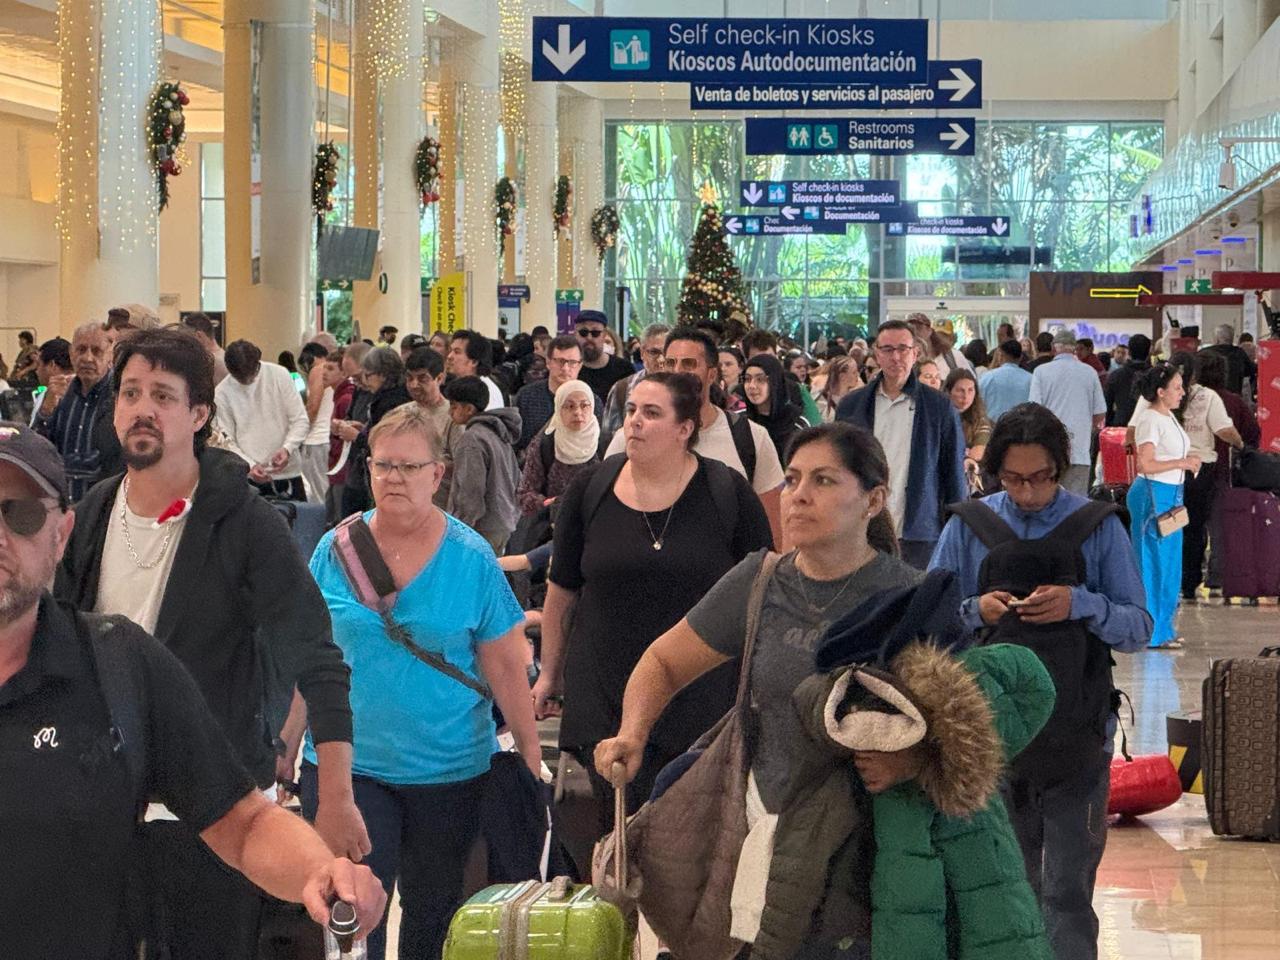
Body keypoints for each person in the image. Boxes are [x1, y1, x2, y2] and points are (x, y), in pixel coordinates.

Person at [0, 422, 386, 959]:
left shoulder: (118, 666)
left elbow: (243, 822)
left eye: (18, 513)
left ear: (61, 534)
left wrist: (320, 871)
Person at [591, 423, 927, 958]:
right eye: (792, 479)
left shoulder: (908, 595)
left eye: (823, 480)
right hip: (753, 827)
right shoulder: (762, 579)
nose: (799, 495)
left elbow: (963, 724)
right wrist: (632, 732)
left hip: (864, 845)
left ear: (874, 500)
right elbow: (664, 662)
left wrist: (913, 759)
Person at [291, 403, 538, 960]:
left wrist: (527, 756)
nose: (393, 478)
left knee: (433, 916)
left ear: (438, 473)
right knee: (352, 921)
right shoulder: (335, 549)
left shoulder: (472, 558)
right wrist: (286, 744)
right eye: (382, 466)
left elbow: (504, 664)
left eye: (408, 466)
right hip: (348, 768)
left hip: (449, 770)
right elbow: (311, 655)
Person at [929, 402, 1152, 960]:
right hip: (986, 739)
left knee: (1068, 892)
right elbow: (924, 628)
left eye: (1042, 478)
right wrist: (974, 610)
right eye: (1014, 479)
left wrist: (1080, 603)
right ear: (991, 472)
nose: (1028, 493)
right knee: (1002, 890)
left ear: (1063, 468)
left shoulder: (1096, 527)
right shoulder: (968, 526)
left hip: (1079, 736)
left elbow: (1138, 627)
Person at [532, 373, 773, 858]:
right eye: (632, 411)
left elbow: (764, 591)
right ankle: (615, 930)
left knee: (687, 849)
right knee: (614, 844)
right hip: (604, 688)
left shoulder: (727, 494)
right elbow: (562, 589)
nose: (635, 423)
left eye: (652, 413)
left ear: (685, 428)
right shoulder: (592, 487)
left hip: (701, 692)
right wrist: (550, 674)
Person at [603, 327, 786, 547]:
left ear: (711, 374)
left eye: (689, 364)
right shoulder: (631, 436)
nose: (678, 372)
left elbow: (772, 530)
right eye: (671, 363)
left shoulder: (751, 438)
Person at [836, 319, 967, 569]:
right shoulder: (852, 406)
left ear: (915, 353)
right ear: (876, 354)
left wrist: (957, 530)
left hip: (920, 531)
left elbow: (953, 474)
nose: (896, 357)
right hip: (863, 528)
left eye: (903, 349)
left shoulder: (939, 407)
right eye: (888, 349)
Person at [1129, 352, 1242, 600]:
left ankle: (1163, 587)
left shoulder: (1154, 402)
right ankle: (1187, 584)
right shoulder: (1205, 397)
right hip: (1191, 475)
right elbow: (1224, 429)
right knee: (1189, 530)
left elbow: (1131, 432)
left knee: (1166, 531)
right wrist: (1240, 444)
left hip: (1167, 476)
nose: (1180, 391)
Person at [1128, 364, 1199, 649]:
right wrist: (1182, 463)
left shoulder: (1168, 417)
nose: (1182, 392)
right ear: (1160, 392)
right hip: (1152, 495)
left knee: (1169, 563)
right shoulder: (1150, 420)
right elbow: (1145, 463)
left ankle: (1164, 627)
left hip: (1171, 494)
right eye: (1177, 387)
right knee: (1152, 562)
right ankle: (1150, 629)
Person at [214, 339, 311, 501]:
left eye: (252, 375)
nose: (247, 382)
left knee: (298, 522)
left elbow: (300, 420)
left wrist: (287, 448)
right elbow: (227, 441)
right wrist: (250, 466)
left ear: (258, 360)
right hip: (250, 479)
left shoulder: (279, 374)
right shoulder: (222, 393)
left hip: (289, 474)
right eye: (240, 378)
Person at [35, 321, 121, 502]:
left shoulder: (120, 397)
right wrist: (46, 410)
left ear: (110, 357)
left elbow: (112, 461)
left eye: (96, 351)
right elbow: (38, 449)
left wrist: (63, 464)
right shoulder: (58, 393)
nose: (88, 358)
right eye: (81, 350)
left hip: (102, 505)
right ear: (71, 354)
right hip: (61, 504)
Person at [1199, 351, 1260, 593]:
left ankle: (1188, 575)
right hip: (1222, 470)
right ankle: (1216, 576)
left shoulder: (1187, 400)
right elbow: (1253, 433)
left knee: (1188, 526)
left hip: (1187, 470)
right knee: (1218, 526)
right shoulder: (1234, 401)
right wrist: (1242, 448)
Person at [443, 375, 521, 553]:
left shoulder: (471, 440)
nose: (450, 412)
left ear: (469, 409)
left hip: (482, 527)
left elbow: (470, 491)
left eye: (454, 406)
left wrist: (460, 531)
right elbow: (518, 477)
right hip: (504, 520)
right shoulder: (498, 432)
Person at [1028, 328, 1106, 495]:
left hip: (1047, 451)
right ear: (1075, 349)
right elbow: (1100, 412)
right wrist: (1085, 425)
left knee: (1045, 500)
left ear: (1053, 348)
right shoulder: (1089, 372)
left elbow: (1034, 410)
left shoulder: (1041, 372)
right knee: (1076, 506)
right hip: (1079, 452)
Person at [342, 347, 413, 517]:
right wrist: (363, 429)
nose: (365, 382)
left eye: (367, 376)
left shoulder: (392, 402)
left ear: (382, 374)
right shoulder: (385, 397)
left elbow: (387, 440)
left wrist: (357, 437)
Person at [516, 379, 600, 519]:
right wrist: (548, 504)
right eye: (569, 406)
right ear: (558, 409)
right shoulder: (545, 443)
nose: (578, 412)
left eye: (584, 405)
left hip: (594, 526)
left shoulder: (602, 441)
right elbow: (525, 494)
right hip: (554, 526)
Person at [513, 334, 602, 453]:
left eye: (572, 362)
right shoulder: (526, 397)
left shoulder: (591, 402)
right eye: (560, 361)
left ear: (580, 365)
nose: (565, 368)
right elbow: (514, 443)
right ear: (548, 362)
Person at [402, 347, 463, 510]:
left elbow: (462, 467)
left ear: (440, 378)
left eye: (422, 379)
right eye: (410, 378)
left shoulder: (454, 417)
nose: (414, 385)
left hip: (439, 507)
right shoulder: (400, 414)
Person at [604, 324, 672, 440]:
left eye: (665, 352)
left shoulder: (684, 389)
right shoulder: (622, 389)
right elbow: (608, 437)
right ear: (642, 353)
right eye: (654, 352)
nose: (661, 359)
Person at [743, 353, 808, 461]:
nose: (752, 386)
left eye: (760, 379)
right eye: (747, 379)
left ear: (775, 381)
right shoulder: (742, 422)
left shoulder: (797, 422)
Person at [945, 368, 992, 493]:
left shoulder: (981, 420)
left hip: (970, 485)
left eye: (970, 390)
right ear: (949, 391)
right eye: (960, 390)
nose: (966, 396)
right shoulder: (939, 417)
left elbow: (977, 453)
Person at [299, 342, 333, 505]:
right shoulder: (336, 372)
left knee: (319, 496)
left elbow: (313, 407)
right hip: (328, 438)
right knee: (328, 492)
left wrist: (299, 434)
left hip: (316, 440)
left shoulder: (318, 369)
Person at [574, 310, 633, 402]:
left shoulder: (624, 369)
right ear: (575, 334)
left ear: (604, 335)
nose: (589, 338)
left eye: (595, 333)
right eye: (583, 332)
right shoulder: (569, 368)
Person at [447, 330, 505, 410]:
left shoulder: (486, 391)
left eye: (457, 352)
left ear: (474, 362)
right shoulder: (459, 384)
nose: (449, 356)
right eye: (450, 351)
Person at [1104, 333, 1152, 427]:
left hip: (1121, 425)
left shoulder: (1116, 375)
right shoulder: (1156, 375)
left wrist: (1109, 426)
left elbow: (1107, 405)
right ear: (1149, 352)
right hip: (1149, 427)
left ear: (1129, 352)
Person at [980, 340, 1034, 422]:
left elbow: (979, 403)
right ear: (1020, 357)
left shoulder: (988, 377)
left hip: (994, 428)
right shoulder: (1031, 379)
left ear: (1000, 356)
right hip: (1023, 428)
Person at [1200, 323, 1256, 396]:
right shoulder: (1239, 353)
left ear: (1217, 339)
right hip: (1234, 398)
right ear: (1232, 339)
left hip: (1210, 398)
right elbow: (1251, 370)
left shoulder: (1204, 353)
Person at [815, 355, 860, 422]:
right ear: (842, 377)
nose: (858, 375)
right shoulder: (821, 400)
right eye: (854, 372)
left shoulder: (856, 398)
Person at [716, 344, 747, 413]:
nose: (722, 369)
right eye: (718, 365)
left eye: (728, 364)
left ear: (741, 368)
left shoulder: (749, 394)